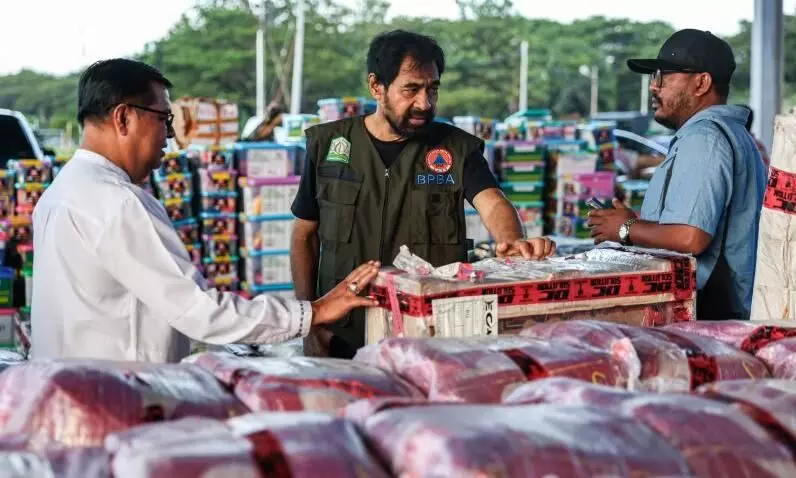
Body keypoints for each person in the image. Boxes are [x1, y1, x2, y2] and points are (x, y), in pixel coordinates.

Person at [31, 58, 380, 363]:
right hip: (117, 396)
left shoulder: (59, 192)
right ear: (123, 118)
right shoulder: (118, 202)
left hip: (71, 386)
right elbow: (198, 310)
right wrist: (312, 313)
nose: (170, 136)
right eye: (164, 119)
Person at [290, 30, 556, 358]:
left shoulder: (457, 149)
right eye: (411, 89)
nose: (424, 103)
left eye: (432, 89)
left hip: (432, 340)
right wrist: (310, 322)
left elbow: (493, 202)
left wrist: (512, 240)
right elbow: (304, 236)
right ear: (376, 86)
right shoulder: (328, 146)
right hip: (342, 336)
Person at [588, 29, 766, 320]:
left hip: (708, 317)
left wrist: (626, 229)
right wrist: (639, 224)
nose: (653, 87)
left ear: (701, 83)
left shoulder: (705, 138)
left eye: (663, 77)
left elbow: (691, 237)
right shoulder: (728, 134)